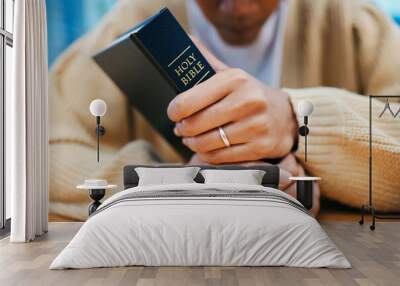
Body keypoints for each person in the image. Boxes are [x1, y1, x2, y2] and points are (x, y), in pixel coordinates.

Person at [49, 0, 400, 221]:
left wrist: (296, 122)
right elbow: (40, 153)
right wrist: (177, 183)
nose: (240, 6)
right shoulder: (130, 19)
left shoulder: (353, 21)